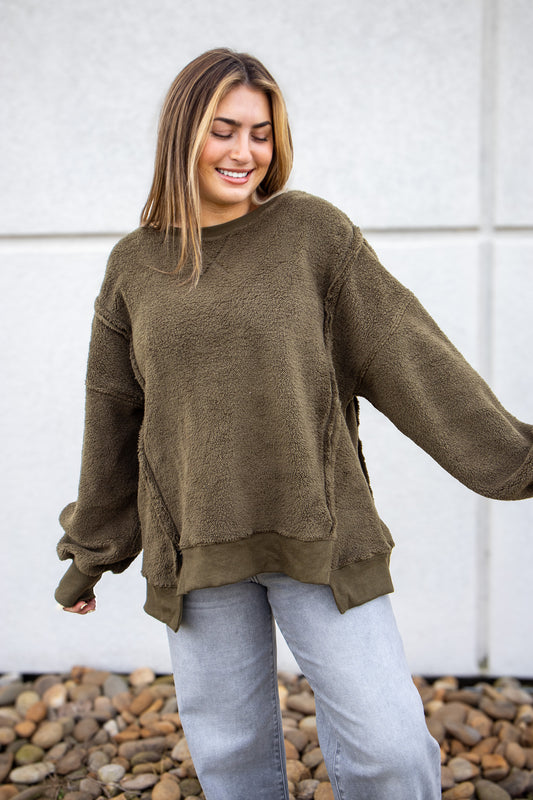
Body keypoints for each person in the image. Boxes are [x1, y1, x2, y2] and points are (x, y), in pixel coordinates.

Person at [54, 48, 533, 800]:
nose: (244, 152)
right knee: (233, 756)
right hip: (195, 547)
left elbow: (407, 356)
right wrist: (92, 552)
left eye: (261, 133)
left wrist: (516, 459)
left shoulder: (312, 235)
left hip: (319, 534)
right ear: (182, 135)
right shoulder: (134, 267)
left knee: (390, 748)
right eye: (223, 130)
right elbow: (112, 417)